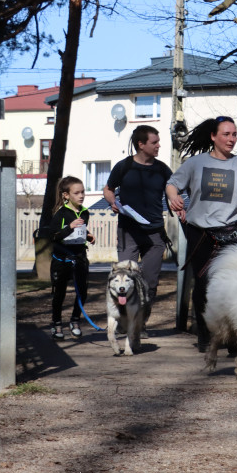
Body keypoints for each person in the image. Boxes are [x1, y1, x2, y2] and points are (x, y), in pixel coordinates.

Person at [165, 116, 237, 350]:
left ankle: (236, 339)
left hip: (233, 231)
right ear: (213, 137)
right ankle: (206, 337)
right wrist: (174, 196)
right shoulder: (195, 164)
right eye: (226, 134)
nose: (231, 139)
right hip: (202, 235)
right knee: (204, 284)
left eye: (234, 134)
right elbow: (172, 183)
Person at [102, 125, 173, 308]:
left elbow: (174, 190)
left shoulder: (162, 169)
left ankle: (141, 323)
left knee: (150, 283)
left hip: (155, 234)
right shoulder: (124, 167)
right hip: (128, 232)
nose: (158, 146)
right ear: (141, 144)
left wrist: (177, 202)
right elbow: (108, 189)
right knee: (126, 281)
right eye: (154, 142)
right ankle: (128, 321)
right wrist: (112, 202)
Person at [48, 176, 96, 340]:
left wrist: (88, 236)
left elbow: (80, 232)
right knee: (59, 293)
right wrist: (69, 227)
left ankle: (75, 320)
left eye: (83, 192)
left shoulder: (85, 212)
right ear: (66, 195)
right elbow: (53, 236)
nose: (81, 195)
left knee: (82, 291)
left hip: (80, 258)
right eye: (77, 193)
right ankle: (56, 323)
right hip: (62, 260)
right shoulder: (61, 214)